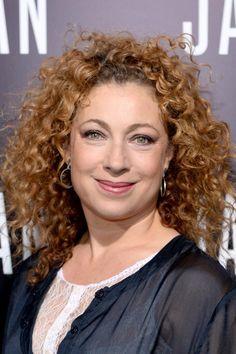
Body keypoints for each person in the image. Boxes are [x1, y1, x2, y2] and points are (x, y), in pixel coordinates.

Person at [1, 31, 236, 354]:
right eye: (95, 134)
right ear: (65, 147)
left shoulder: (201, 292)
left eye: (141, 139)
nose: (115, 162)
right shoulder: (31, 277)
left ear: (168, 155)